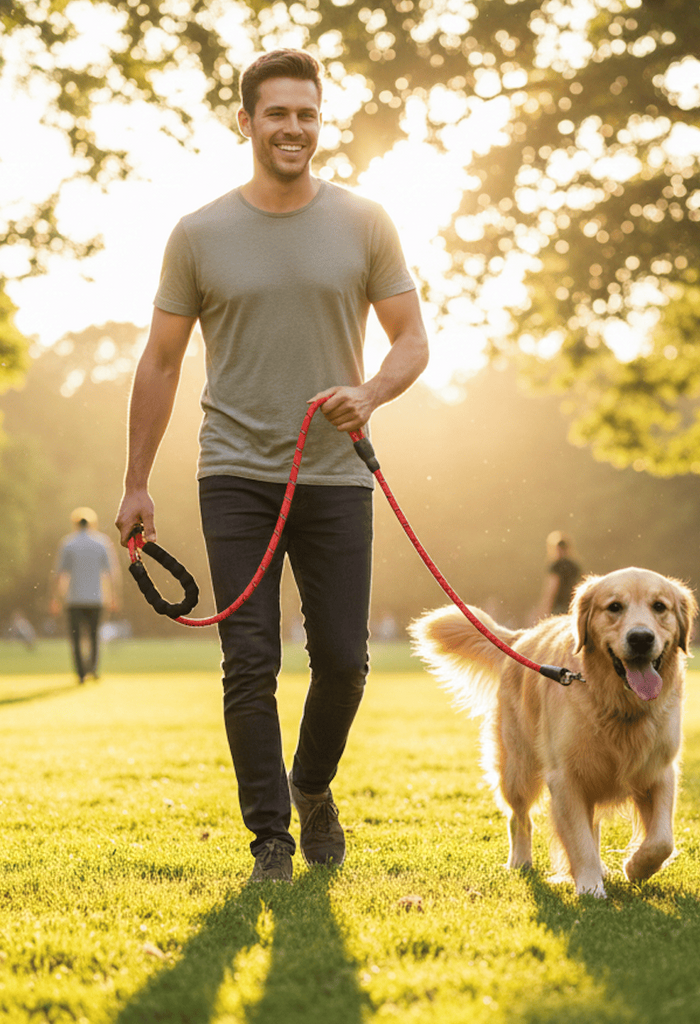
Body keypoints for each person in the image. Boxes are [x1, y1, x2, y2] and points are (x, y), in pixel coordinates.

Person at [115, 49, 430, 884]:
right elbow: (159, 361)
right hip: (234, 475)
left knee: (344, 661)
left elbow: (411, 339)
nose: (294, 128)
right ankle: (271, 842)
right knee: (249, 661)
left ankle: (312, 786)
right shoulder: (199, 234)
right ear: (245, 121)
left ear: (319, 123)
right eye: (278, 113)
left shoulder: (365, 222)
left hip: (334, 474)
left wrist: (371, 393)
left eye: (308, 114)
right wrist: (137, 480)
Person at [50, 507, 121, 683]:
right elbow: (112, 573)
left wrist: (55, 598)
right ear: (93, 524)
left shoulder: (68, 543)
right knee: (94, 636)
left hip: (74, 598)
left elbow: (59, 574)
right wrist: (114, 596)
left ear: (75, 524)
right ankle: (93, 669)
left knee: (76, 637)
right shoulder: (102, 542)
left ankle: (81, 673)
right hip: (96, 598)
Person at [534, 531, 582, 620]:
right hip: (572, 605)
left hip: (558, 607)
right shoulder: (575, 566)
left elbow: (552, 588)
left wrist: (544, 607)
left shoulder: (556, 565)